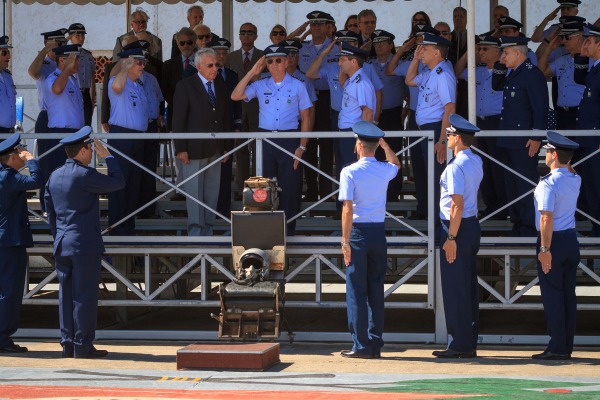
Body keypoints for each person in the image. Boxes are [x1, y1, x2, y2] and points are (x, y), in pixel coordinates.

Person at [45, 127, 125, 358]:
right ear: (82, 150)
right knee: (84, 296)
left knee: (65, 295)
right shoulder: (84, 175)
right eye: (90, 149)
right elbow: (117, 183)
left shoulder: (55, 175)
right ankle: (83, 345)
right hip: (84, 244)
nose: (92, 153)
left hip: (62, 242)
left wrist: (58, 234)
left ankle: (67, 344)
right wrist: (108, 156)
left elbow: (50, 211)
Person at [231, 45, 311, 235]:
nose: (274, 65)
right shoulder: (260, 84)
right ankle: (265, 232)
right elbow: (236, 95)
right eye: (270, 61)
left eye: (278, 60)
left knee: (290, 188)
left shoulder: (298, 85)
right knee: (263, 187)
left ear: (286, 61)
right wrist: (252, 72)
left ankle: (288, 231)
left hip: (289, 139)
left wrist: (302, 147)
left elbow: (306, 118)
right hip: (265, 140)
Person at [339, 121, 400, 359]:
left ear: (358, 145)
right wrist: (384, 144)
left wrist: (345, 242)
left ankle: (361, 345)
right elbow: (396, 163)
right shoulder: (384, 169)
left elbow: (347, 209)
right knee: (376, 288)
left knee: (356, 290)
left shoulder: (350, 172)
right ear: (375, 145)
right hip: (378, 232)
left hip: (358, 233)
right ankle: (375, 343)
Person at [433, 114, 483, 359]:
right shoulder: (475, 160)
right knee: (468, 286)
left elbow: (456, 205)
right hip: (470, 225)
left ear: (459, 138)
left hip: (457, 227)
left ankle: (460, 343)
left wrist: (450, 238)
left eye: (450, 135)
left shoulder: (456, 167)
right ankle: (468, 339)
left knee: (456, 288)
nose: (448, 138)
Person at [532, 131, 581, 360]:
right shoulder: (574, 178)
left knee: (553, 297)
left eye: (549, 150)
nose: (546, 154)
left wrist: (544, 249)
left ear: (553, 154)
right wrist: (566, 162)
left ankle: (556, 347)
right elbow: (569, 169)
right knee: (568, 297)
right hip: (570, 239)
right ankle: (565, 346)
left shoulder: (548, 184)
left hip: (553, 241)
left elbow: (546, 218)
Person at [173, 47, 231, 236]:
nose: (215, 68)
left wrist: (226, 147)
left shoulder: (221, 85)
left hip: (215, 149)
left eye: (217, 65)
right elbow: (178, 119)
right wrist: (180, 148)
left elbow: (224, 119)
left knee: (211, 193)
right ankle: (196, 234)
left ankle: (208, 229)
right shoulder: (185, 86)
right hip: (193, 150)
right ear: (199, 67)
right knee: (195, 194)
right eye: (210, 65)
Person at [496, 36, 548, 237]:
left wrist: (537, 136)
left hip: (524, 141)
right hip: (510, 138)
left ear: (518, 53)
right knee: (512, 185)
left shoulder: (531, 74)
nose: (502, 58)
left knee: (524, 184)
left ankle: (527, 226)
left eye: (505, 53)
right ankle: (518, 223)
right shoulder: (514, 74)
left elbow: (540, 107)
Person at [405, 33, 456, 232]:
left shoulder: (443, 74)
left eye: (424, 48)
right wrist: (416, 58)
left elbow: (450, 108)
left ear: (437, 52)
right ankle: (433, 220)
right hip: (424, 130)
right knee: (428, 177)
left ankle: (439, 226)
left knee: (437, 179)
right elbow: (409, 80)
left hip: (435, 130)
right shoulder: (429, 72)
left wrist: (443, 140)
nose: (421, 50)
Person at [454, 34, 506, 219]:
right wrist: (470, 50)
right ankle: (491, 205)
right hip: (479, 123)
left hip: (497, 121)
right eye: (479, 48)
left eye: (485, 49)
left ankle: (502, 205)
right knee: (483, 165)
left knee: (498, 165)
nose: (481, 52)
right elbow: (458, 71)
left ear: (497, 52)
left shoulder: (505, 70)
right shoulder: (478, 70)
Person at [0, 133, 43, 353]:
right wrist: (32, 161)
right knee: (9, 290)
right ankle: (3, 338)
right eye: (19, 152)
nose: (22, 154)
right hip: (9, 242)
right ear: (12, 157)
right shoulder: (8, 177)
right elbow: (36, 180)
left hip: (4, 240)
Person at [107, 45, 149, 236]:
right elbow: (116, 87)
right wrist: (124, 66)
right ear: (127, 62)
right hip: (122, 137)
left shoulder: (138, 85)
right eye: (138, 62)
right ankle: (117, 228)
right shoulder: (118, 81)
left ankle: (128, 227)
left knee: (134, 185)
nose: (142, 66)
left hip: (137, 139)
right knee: (119, 184)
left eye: (143, 62)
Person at [298, 11, 337, 202]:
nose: (316, 28)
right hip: (308, 100)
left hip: (330, 99)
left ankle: (327, 190)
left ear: (328, 26)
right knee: (309, 145)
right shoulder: (302, 48)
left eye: (321, 24)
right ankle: (312, 190)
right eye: (313, 24)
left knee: (328, 146)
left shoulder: (337, 47)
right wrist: (301, 33)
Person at [226, 22, 263, 199]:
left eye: (250, 32)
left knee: (257, 146)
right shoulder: (229, 57)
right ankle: (242, 187)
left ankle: (256, 185)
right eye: (243, 32)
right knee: (240, 148)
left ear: (256, 36)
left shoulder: (263, 56)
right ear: (239, 36)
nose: (246, 35)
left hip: (258, 107)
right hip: (238, 108)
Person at [207, 38, 242, 217]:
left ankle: (223, 209)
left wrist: (237, 124)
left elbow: (236, 103)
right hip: (209, 129)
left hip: (227, 128)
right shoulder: (204, 74)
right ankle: (209, 211)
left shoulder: (232, 75)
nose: (221, 56)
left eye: (224, 52)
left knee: (226, 168)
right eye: (218, 52)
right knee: (209, 172)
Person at [369, 29, 405, 201]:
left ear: (391, 45)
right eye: (376, 43)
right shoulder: (369, 64)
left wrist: (405, 112)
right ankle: (377, 192)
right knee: (374, 155)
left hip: (393, 113)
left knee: (394, 152)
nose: (379, 46)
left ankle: (393, 193)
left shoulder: (399, 63)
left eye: (383, 42)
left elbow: (410, 92)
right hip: (375, 116)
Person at [537, 16, 587, 130]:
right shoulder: (562, 60)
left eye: (567, 37)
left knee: (584, 147)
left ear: (579, 37)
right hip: (562, 115)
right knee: (562, 148)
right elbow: (541, 72)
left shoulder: (592, 61)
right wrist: (549, 48)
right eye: (562, 37)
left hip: (582, 114)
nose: (563, 41)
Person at [576, 23, 600, 237]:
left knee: (598, 183)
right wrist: (583, 55)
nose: (585, 44)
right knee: (591, 183)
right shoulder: (594, 67)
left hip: (596, 138)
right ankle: (596, 226)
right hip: (588, 136)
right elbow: (578, 78)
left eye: (589, 42)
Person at [162, 28, 198, 133]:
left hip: (197, 114)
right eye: (182, 43)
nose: (185, 46)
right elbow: (165, 89)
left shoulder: (202, 63)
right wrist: (180, 105)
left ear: (195, 43)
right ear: (177, 45)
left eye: (189, 42)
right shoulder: (168, 65)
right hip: (174, 113)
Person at [68, 23, 96, 126]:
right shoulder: (65, 55)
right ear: (71, 37)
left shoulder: (88, 55)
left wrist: (92, 100)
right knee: (72, 126)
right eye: (77, 36)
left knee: (86, 126)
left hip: (85, 94)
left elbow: (92, 79)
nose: (81, 38)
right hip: (72, 94)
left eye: (83, 35)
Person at [0, 36, 16, 133]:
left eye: (8, 53)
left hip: (9, 131)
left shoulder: (7, 76)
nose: (8, 57)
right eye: (4, 53)